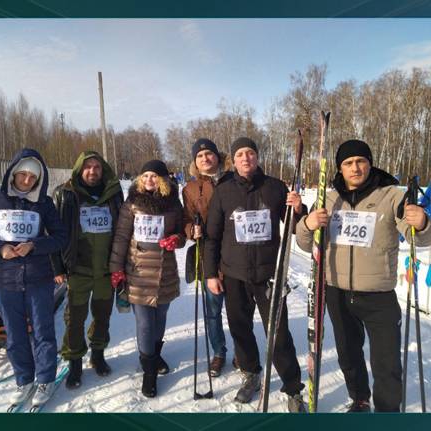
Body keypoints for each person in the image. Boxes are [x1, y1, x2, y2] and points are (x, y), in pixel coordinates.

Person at [295, 139, 431, 412]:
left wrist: (421, 224)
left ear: (370, 163)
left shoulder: (391, 195)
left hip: (378, 295)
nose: (355, 167)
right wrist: (307, 223)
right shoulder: (328, 197)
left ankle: (387, 412)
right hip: (336, 291)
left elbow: (421, 238)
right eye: (348, 163)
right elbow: (306, 243)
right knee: (348, 355)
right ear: (340, 168)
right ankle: (360, 398)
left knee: (386, 363)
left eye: (361, 161)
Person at [204, 137, 308, 413]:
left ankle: (293, 388)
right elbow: (212, 237)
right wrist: (210, 274)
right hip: (234, 275)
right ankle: (251, 373)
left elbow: (296, 227)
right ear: (234, 161)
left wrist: (298, 209)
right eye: (240, 154)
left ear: (257, 157)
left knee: (278, 334)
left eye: (250, 153)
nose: (246, 158)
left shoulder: (274, 187)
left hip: (268, 275)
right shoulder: (224, 192)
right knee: (240, 329)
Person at [0, 148, 69, 408]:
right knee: (14, 334)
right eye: (23, 174)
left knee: (43, 331)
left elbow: (60, 237)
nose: (26, 180)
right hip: (4, 279)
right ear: (13, 173)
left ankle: (46, 378)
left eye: (32, 177)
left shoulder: (45, 204)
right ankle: (24, 380)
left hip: (38, 277)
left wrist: (34, 245)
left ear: (39, 179)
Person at [109, 160, 186, 397]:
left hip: (165, 271)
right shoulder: (131, 203)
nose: (149, 180)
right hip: (138, 270)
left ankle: (154, 353)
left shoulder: (173, 204)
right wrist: (116, 268)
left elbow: (181, 232)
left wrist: (177, 240)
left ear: (163, 180)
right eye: (145, 176)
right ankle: (149, 371)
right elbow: (122, 237)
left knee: (160, 318)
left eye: (154, 176)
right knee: (144, 322)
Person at [50, 151, 124, 389]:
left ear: (103, 171)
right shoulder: (67, 194)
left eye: (97, 168)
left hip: (105, 270)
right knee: (74, 319)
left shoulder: (113, 194)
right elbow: (54, 233)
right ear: (79, 169)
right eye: (88, 167)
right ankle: (74, 363)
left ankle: (98, 354)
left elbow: (122, 229)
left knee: (103, 315)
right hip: (78, 270)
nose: (93, 172)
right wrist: (58, 266)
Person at [181, 138, 232, 377]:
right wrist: (192, 230)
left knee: (237, 311)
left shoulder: (234, 179)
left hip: (236, 256)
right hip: (208, 257)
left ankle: (243, 352)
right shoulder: (190, 189)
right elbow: (186, 219)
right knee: (212, 312)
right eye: (200, 156)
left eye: (209, 154)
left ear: (217, 156)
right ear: (195, 162)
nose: (205, 159)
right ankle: (219, 352)